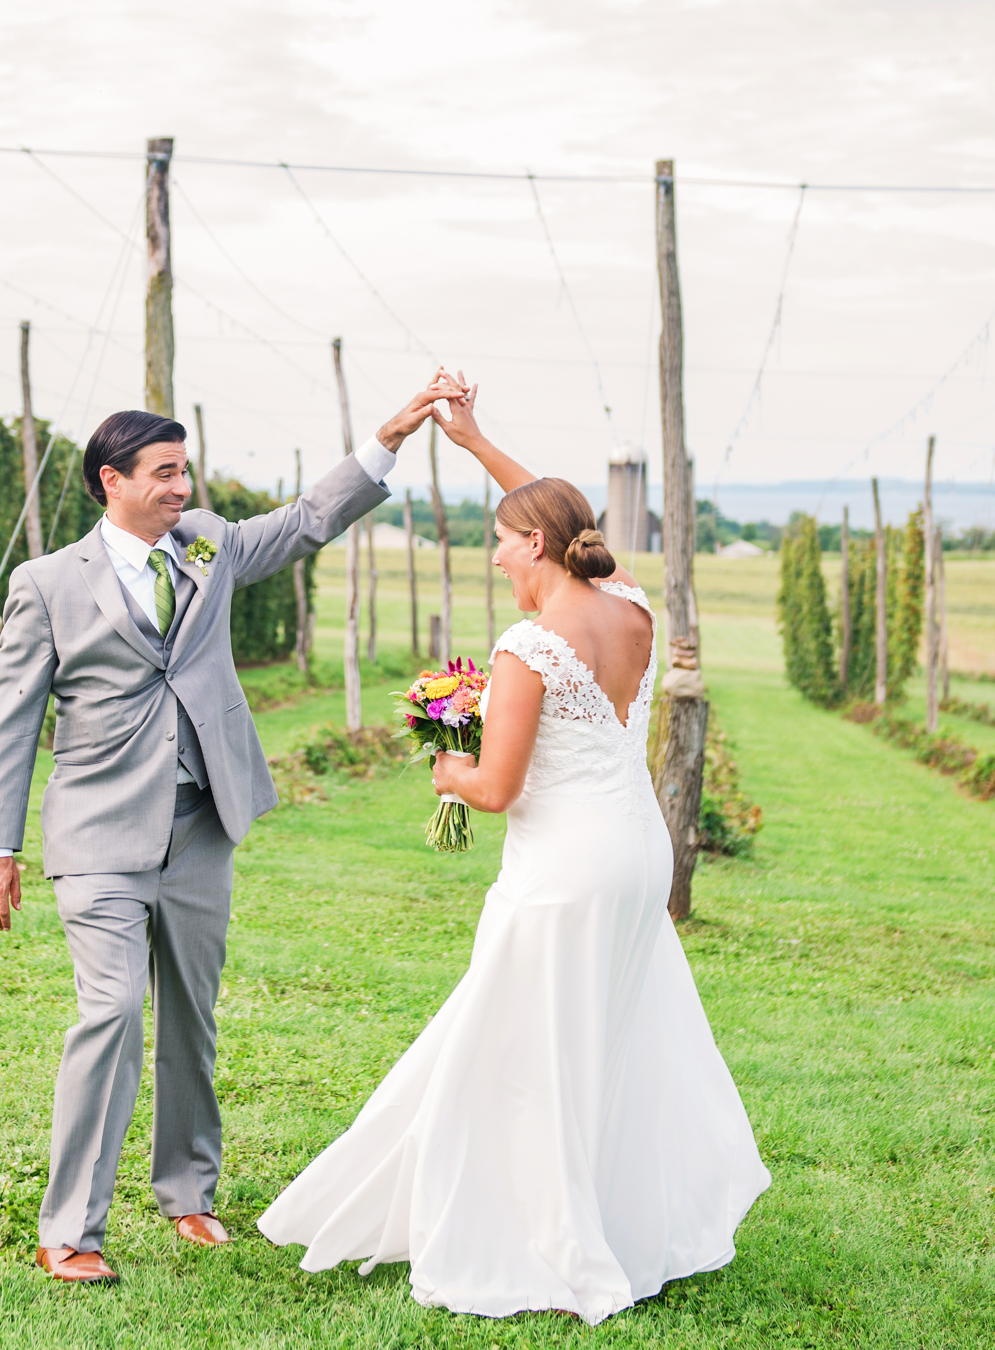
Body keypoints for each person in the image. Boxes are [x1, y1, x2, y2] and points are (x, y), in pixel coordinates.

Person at [259, 374, 770, 1323]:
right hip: (636, 855)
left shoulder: (526, 646)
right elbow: (563, 514)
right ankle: (616, 1217)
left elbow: (495, 790)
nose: (493, 555)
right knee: (601, 1037)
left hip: (564, 870)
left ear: (532, 545)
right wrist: (479, 444)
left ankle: (537, 1236)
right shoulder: (632, 608)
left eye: (500, 537)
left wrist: (443, 763)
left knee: (525, 1050)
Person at [0, 384, 451, 1284]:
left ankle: (188, 1195)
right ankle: (70, 1229)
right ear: (112, 481)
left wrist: (385, 440)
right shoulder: (45, 585)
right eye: (163, 473)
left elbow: (307, 521)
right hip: (99, 832)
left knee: (192, 1014)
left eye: (184, 470)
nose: (180, 486)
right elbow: (8, 720)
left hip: (202, 826)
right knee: (110, 1012)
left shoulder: (206, 544)